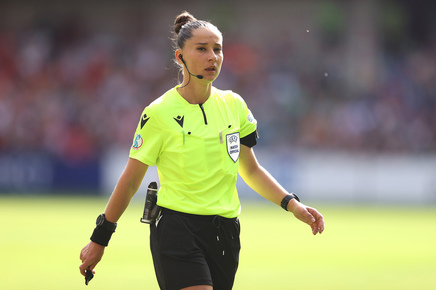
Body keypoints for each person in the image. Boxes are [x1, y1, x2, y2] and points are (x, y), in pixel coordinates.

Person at [79, 11, 325, 290]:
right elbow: (131, 179)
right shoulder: (159, 113)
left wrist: (292, 204)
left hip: (226, 232)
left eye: (217, 49)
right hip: (177, 229)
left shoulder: (235, 105)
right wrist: (100, 238)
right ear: (179, 57)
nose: (213, 57)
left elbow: (251, 169)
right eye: (202, 49)